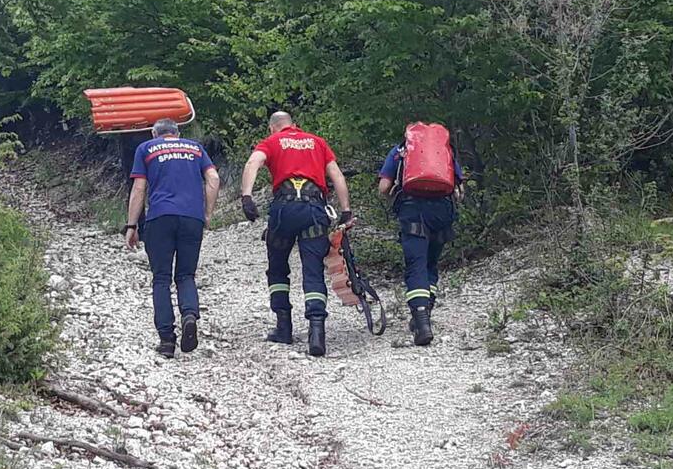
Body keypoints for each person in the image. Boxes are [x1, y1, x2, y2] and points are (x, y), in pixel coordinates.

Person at [240, 111, 353, 357]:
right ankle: (316, 332)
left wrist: (247, 196)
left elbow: (253, 163)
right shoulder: (317, 142)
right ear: (294, 125)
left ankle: (283, 326)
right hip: (314, 210)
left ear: (273, 128)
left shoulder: (271, 142)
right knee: (312, 269)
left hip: (285, 210)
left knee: (278, 267)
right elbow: (337, 176)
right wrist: (345, 210)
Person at [124, 118, 220, 358]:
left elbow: (139, 188)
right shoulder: (195, 148)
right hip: (191, 218)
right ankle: (189, 314)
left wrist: (131, 225)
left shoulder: (146, 149)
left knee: (161, 278)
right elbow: (214, 179)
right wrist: (207, 213)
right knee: (186, 274)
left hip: (160, 218)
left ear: (155, 134)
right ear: (177, 133)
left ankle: (167, 340)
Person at [378, 127, 464, 346]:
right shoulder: (446, 152)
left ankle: (421, 321)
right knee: (431, 264)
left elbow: (384, 187)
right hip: (441, 212)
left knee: (416, 265)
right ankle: (425, 314)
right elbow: (459, 192)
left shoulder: (399, 151)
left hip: (412, 210)